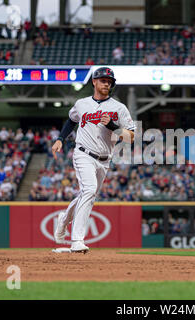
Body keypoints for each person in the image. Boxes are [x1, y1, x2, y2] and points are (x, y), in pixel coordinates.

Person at [51, 67, 136, 253]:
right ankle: (77, 240)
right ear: (94, 82)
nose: (107, 83)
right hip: (83, 153)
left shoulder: (119, 108)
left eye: (109, 81)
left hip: (105, 159)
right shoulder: (82, 104)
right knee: (88, 190)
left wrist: (113, 126)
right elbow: (71, 120)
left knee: (87, 195)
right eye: (103, 80)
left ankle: (64, 219)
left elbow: (131, 137)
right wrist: (60, 139)